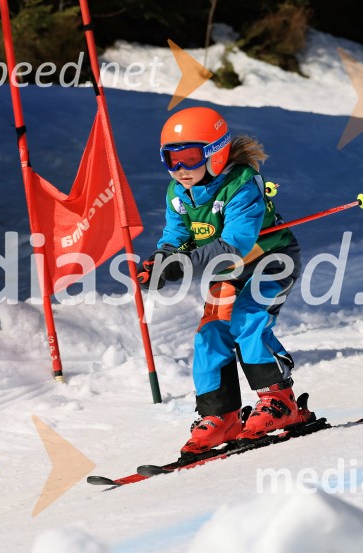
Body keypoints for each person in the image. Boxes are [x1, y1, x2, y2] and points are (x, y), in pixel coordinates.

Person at [138, 106, 312, 459]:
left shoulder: (241, 184)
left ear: (215, 153)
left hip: (270, 259)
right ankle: (221, 416)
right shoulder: (178, 192)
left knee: (247, 319)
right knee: (211, 332)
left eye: (189, 157)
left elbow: (235, 245)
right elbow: (176, 236)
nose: (180, 168)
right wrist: (161, 260)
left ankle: (280, 401)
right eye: (170, 159)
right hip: (228, 269)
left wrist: (183, 263)